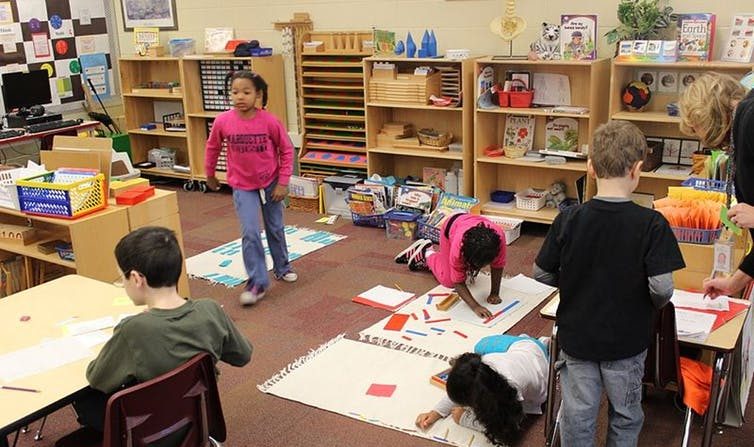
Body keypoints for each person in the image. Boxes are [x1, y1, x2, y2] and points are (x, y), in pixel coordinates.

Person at [533, 120, 685, 446]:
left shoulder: (568, 219)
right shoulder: (652, 224)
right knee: (626, 414)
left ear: (590, 168)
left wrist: (574, 283)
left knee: (578, 414)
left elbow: (541, 274)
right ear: (638, 169)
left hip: (578, 339)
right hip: (627, 342)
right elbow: (661, 289)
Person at [73, 226, 252, 432]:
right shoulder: (210, 309)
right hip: (199, 418)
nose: (123, 284)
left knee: (87, 400)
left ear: (137, 279)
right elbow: (243, 355)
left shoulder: (132, 330)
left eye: (121, 278)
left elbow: (97, 379)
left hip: (151, 430)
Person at [205, 70, 296, 305]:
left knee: (275, 227)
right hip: (242, 185)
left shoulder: (269, 121)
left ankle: (282, 266)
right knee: (250, 232)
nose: (240, 97)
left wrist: (283, 182)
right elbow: (212, 147)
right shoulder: (223, 121)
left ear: (258, 94)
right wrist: (210, 173)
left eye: (246, 92)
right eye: (235, 92)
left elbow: (286, 150)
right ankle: (257, 281)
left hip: (271, 183)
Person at [679, 72, 754, 298]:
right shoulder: (744, 122)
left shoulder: (749, 120)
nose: (701, 139)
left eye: (695, 128)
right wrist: (734, 283)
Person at [415, 334, 549, 446]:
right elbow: (462, 386)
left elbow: (507, 429)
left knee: (482, 346)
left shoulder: (510, 393)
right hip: (525, 347)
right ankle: (542, 343)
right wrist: (436, 412)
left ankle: (545, 345)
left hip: (541, 368)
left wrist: (463, 418)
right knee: (480, 346)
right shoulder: (481, 366)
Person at [395, 213, 506, 319]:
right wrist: (475, 307)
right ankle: (427, 253)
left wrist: (495, 293)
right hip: (450, 227)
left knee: (464, 271)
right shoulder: (458, 249)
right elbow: (458, 282)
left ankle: (443, 258)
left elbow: (498, 266)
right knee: (448, 281)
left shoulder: (498, 240)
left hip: (467, 224)